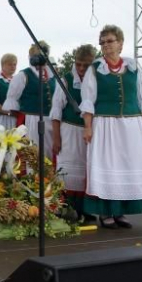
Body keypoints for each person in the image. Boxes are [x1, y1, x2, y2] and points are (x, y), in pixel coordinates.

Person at [81, 25, 142, 229]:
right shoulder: (95, 69)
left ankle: (121, 211)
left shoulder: (133, 68)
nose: (106, 45)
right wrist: (87, 127)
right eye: (103, 42)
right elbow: (88, 101)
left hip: (132, 125)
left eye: (110, 41)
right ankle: (106, 213)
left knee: (127, 165)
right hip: (105, 125)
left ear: (121, 43)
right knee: (108, 165)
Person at [51, 45, 96, 220]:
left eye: (86, 65)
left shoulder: (95, 80)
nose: (82, 69)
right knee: (67, 170)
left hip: (90, 131)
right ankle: (65, 208)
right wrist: (56, 137)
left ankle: (84, 209)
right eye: (79, 64)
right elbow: (56, 110)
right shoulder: (66, 80)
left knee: (87, 169)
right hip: (69, 130)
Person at [2, 42, 56, 159]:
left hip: (51, 121)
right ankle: (33, 177)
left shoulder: (52, 75)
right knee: (34, 153)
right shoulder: (24, 75)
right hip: (32, 120)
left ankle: (49, 177)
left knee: (49, 154)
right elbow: (12, 101)